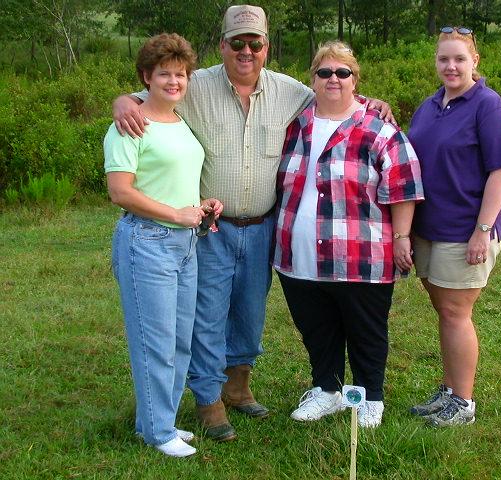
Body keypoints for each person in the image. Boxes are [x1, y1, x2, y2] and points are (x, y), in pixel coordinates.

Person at [112, 5, 395, 441]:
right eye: (237, 43)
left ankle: (238, 387)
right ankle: (208, 400)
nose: (246, 51)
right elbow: (151, 94)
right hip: (211, 228)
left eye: (255, 43)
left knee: (249, 312)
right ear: (223, 44)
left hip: (264, 226)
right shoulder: (195, 84)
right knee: (207, 314)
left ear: (266, 46)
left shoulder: (291, 91)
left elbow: (336, 95)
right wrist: (122, 101)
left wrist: (374, 103)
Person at [273, 41, 424, 428]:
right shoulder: (295, 124)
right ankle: (327, 390)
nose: (334, 79)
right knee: (317, 330)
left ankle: (371, 396)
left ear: (355, 79)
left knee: (366, 331)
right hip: (298, 254)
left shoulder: (378, 129)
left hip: (361, 256)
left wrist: (402, 237)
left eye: (343, 73)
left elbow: (403, 185)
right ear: (313, 79)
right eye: (325, 73)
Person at [105, 33, 223, 457]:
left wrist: (201, 205)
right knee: (154, 340)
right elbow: (120, 192)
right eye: (164, 74)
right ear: (146, 77)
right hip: (147, 242)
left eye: (180, 74)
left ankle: (160, 421)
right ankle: (157, 433)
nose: (174, 81)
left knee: (179, 340)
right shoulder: (129, 125)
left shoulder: (180, 121)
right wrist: (175, 215)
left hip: (186, 244)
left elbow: (177, 181)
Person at [407, 26, 501, 427]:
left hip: (466, 230)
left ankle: (464, 403)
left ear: (475, 62)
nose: (450, 66)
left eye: (459, 59)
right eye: (443, 59)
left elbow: (500, 171)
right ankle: (450, 390)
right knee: (445, 310)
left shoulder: (489, 107)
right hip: (429, 227)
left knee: (456, 312)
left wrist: (482, 231)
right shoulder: (431, 104)